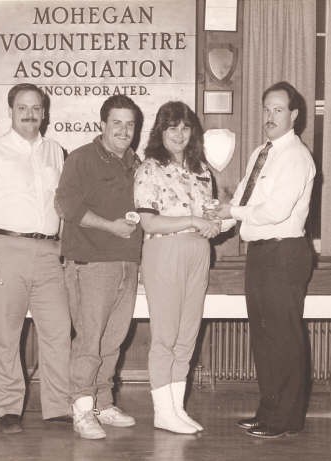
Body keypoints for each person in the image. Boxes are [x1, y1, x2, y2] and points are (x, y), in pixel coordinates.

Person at [0, 83, 71, 434]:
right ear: (10, 111)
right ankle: (8, 407)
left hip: (48, 253)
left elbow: (62, 207)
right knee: (5, 334)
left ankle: (57, 407)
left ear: (45, 112)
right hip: (2, 248)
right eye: (23, 108)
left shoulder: (55, 152)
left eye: (36, 108)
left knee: (58, 331)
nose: (30, 114)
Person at [214, 81, 316, 438]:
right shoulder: (261, 151)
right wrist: (215, 222)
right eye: (266, 109)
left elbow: (274, 211)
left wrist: (231, 210)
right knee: (263, 336)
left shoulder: (296, 157)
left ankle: (286, 419)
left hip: (284, 254)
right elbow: (243, 198)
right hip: (260, 254)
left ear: (294, 115)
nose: (270, 116)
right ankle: (269, 410)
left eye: (278, 110)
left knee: (283, 337)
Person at [55, 94, 143, 440]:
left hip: (127, 264)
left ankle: (102, 404)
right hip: (91, 264)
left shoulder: (137, 164)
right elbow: (65, 205)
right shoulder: (82, 159)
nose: (124, 130)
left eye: (130, 124)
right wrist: (111, 226)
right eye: (117, 122)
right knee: (90, 341)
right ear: (102, 125)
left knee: (114, 341)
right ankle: (80, 408)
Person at [133, 101, 220, 434]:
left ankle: (176, 409)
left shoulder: (201, 170)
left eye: (185, 127)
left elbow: (208, 216)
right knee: (166, 336)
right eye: (172, 128)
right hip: (164, 251)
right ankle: (161, 412)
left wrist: (214, 223)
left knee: (187, 335)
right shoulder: (149, 168)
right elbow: (149, 222)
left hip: (198, 252)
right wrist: (194, 220)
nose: (180, 134)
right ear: (161, 131)